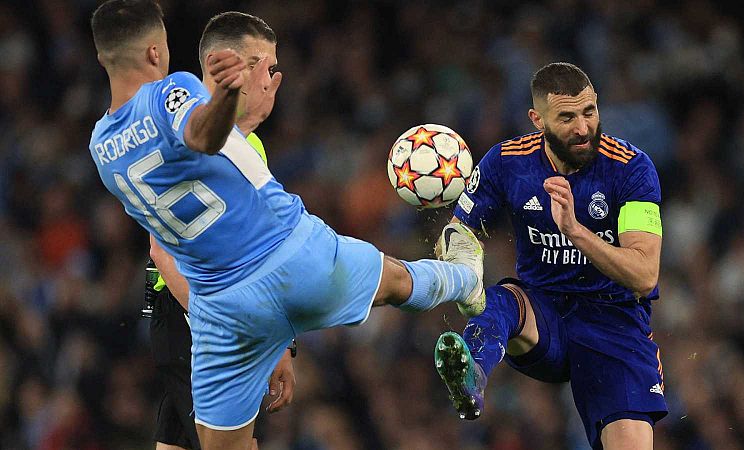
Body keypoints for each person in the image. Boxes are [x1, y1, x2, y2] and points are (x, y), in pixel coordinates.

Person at [88, 2, 485, 449]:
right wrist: (224, 97)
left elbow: (189, 173)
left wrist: (239, 118)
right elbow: (201, 136)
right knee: (397, 282)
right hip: (291, 255)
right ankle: (466, 278)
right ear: (156, 52)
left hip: (223, 310)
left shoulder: (101, 147)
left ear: (102, 57)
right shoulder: (171, 91)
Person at [434, 62, 666, 450]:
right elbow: (459, 233)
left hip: (614, 323)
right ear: (537, 120)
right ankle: (471, 373)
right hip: (544, 315)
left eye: (589, 112)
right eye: (567, 117)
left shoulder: (631, 168)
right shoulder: (507, 161)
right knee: (502, 300)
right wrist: (459, 263)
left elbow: (644, 275)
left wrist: (576, 231)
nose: (583, 128)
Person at [145, 12, 294, 450]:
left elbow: (260, 254)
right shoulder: (183, 136)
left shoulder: (249, 144)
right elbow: (161, 250)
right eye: (266, 67)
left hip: (200, 314)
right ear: (231, 67)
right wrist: (225, 329)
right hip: (194, 313)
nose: (274, 80)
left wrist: (281, 342)